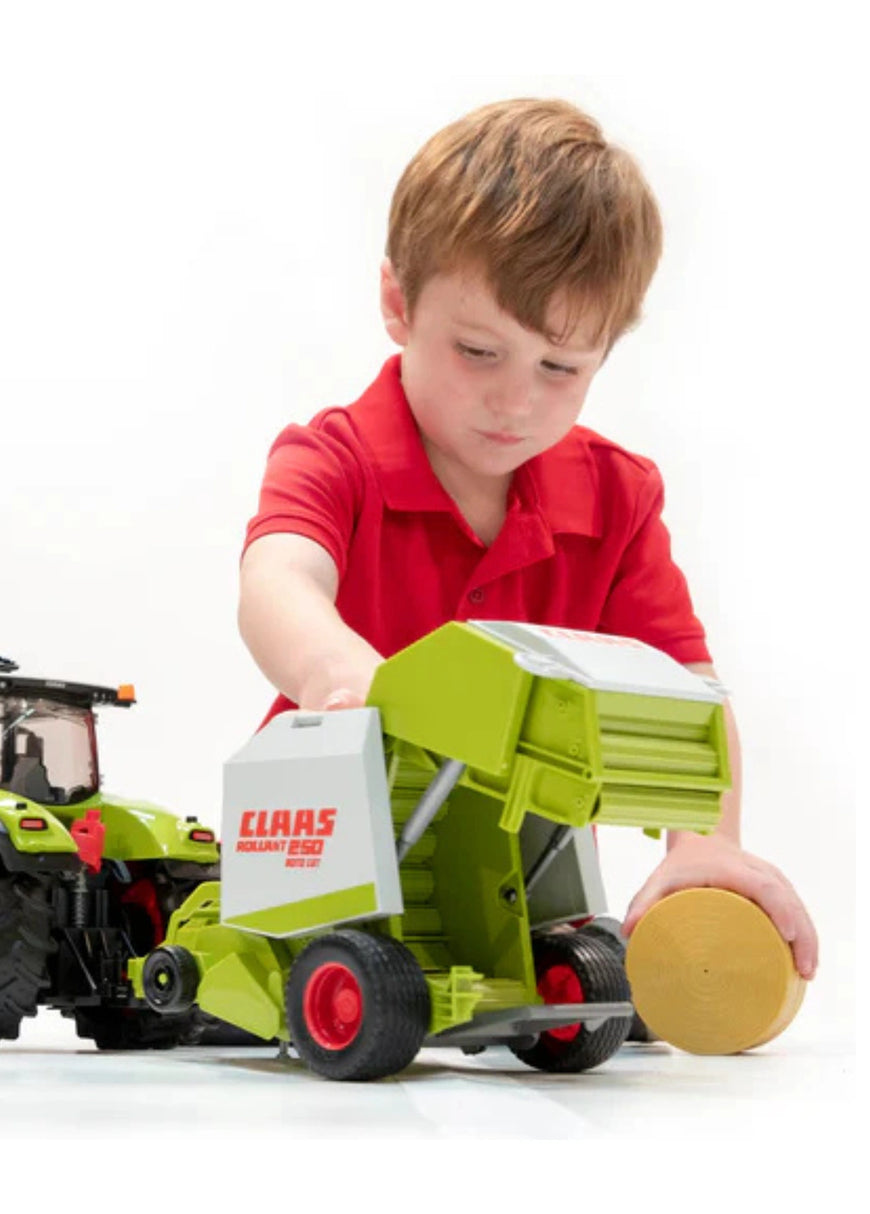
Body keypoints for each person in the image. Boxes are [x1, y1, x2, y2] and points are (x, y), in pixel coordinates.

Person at [238, 98, 818, 980]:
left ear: (607, 351)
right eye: (478, 351)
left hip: (516, 877)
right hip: (326, 852)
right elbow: (277, 580)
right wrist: (343, 677)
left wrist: (704, 842)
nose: (515, 403)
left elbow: (685, 692)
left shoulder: (617, 497)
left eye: (560, 368)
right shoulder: (336, 458)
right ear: (398, 301)